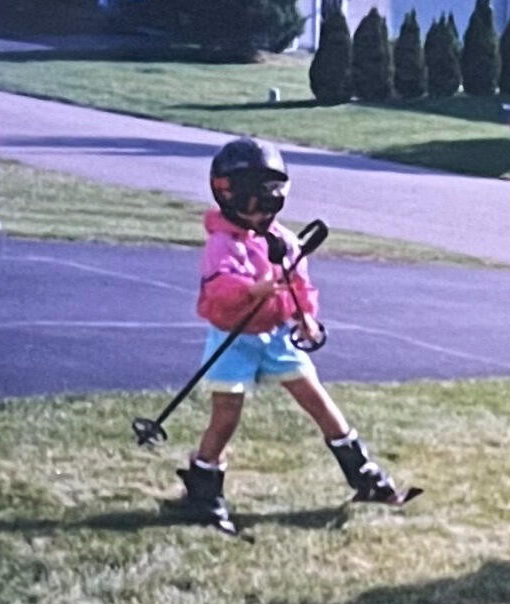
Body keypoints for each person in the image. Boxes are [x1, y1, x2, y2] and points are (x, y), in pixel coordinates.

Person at [171, 137, 413, 532]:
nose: (265, 212)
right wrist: (253, 289)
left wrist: (307, 318)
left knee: (319, 403)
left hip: (278, 337)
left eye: (272, 203)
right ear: (229, 195)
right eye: (257, 204)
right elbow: (218, 291)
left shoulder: (282, 239)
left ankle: (364, 474)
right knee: (226, 414)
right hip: (233, 337)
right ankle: (204, 487)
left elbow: (300, 284)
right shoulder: (222, 244)